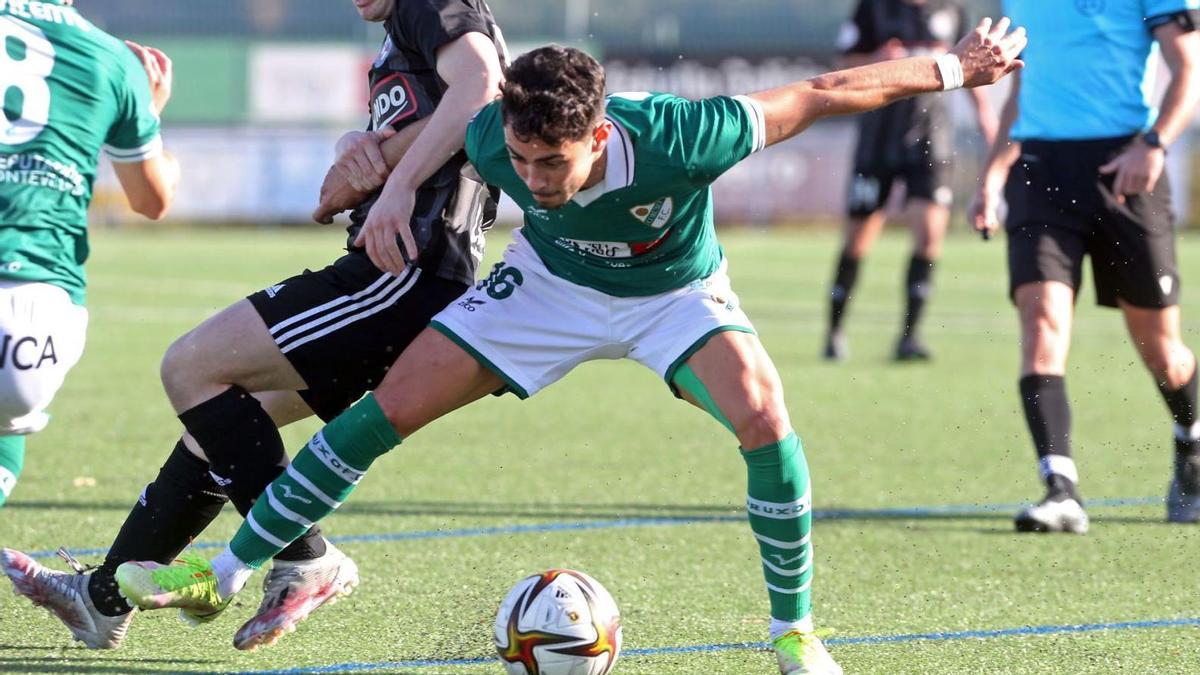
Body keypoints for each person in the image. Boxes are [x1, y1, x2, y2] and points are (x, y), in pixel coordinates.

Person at [114, 23, 1025, 674]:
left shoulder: (682, 136)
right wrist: (376, 171)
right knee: (382, 411)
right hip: (545, 290)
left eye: (555, 163)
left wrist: (956, 69)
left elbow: (824, 93)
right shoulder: (494, 136)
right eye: (523, 160)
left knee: (765, 415)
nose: (536, 179)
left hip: (673, 294)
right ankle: (225, 572)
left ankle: (795, 634)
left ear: (599, 135)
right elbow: (439, 142)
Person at [0, 0, 506, 653]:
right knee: (221, 428)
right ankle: (102, 600)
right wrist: (366, 148)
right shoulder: (400, 32)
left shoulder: (432, 4)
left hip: (404, 274)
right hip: (397, 272)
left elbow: (481, 89)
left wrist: (401, 183)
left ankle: (307, 557)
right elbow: (443, 114)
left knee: (191, 366)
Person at [971, 0, 1200, 533]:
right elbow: (1021, 92)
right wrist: (992, 174)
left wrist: (1154, 144)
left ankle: (1191, 443)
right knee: (1041, 321)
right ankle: (1060, 490)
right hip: (1040, 171)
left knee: (1162, 351)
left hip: (1126, 167)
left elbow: (1188, 64)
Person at [0, 1, 178, 505]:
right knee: (5, 423)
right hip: (37, 328)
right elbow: (152, 200)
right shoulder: (113, 59)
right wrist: (148, 113)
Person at [824, 0, 997, 361]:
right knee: (857, 241)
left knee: (930, 235)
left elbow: (973, 70)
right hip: (878, 140)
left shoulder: (951, 11)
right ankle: (835, 332)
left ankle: (908, 338)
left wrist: (988, 123)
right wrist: (877, 57)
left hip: (932, 142)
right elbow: (843, 67)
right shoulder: (873, 9)